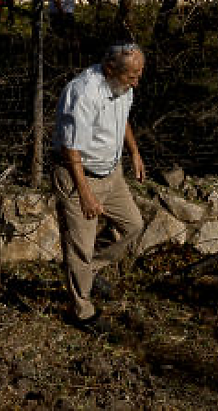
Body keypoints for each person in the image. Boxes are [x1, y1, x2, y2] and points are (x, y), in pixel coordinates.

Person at [52, 41, 147, 335]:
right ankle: (82, 311)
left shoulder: (122, 85)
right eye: (131, 76)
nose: (136, 82)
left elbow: (122, 119)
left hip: (112, 172)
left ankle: (89, 271)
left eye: (139, 74)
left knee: (133, 226)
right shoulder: (83, 93)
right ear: (110, 69)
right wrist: (85, 193)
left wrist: (134, 152)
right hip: (79, 174)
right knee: (80, 247)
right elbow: (70, 149)